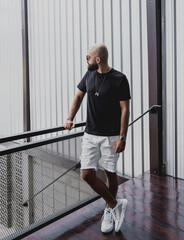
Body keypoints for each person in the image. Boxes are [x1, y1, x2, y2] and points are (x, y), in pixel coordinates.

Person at [64, 43, 131, 233]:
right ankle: (115, 203)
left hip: (111, 136)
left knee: (110, 173)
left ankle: (109, 211)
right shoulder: (89, 75)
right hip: (90, 134)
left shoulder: (119, 79)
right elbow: (78, 97)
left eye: (88, 57)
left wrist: (122, 137)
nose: (87, 59)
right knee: (86, 174)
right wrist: (70, 119)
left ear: (98, 59)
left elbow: (125, 110)